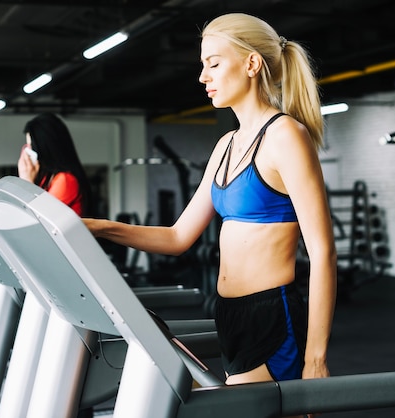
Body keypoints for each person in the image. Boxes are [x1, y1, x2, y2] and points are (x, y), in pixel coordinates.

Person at [84, 11, 336, 410]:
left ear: (252, 64)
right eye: (203, 66)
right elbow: (178, 237)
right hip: (228, 313)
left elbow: (323, 252)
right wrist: (95, 227)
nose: (203, 77)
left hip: (271, 315)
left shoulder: (285, 136)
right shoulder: (226, 145)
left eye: (213, 64)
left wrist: (316, 357)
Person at [17, 112, 92, 216]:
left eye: (31, 146)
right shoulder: (47, 179)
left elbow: (38, 218)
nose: (28, 151)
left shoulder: (65, 180)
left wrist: (27, 183)